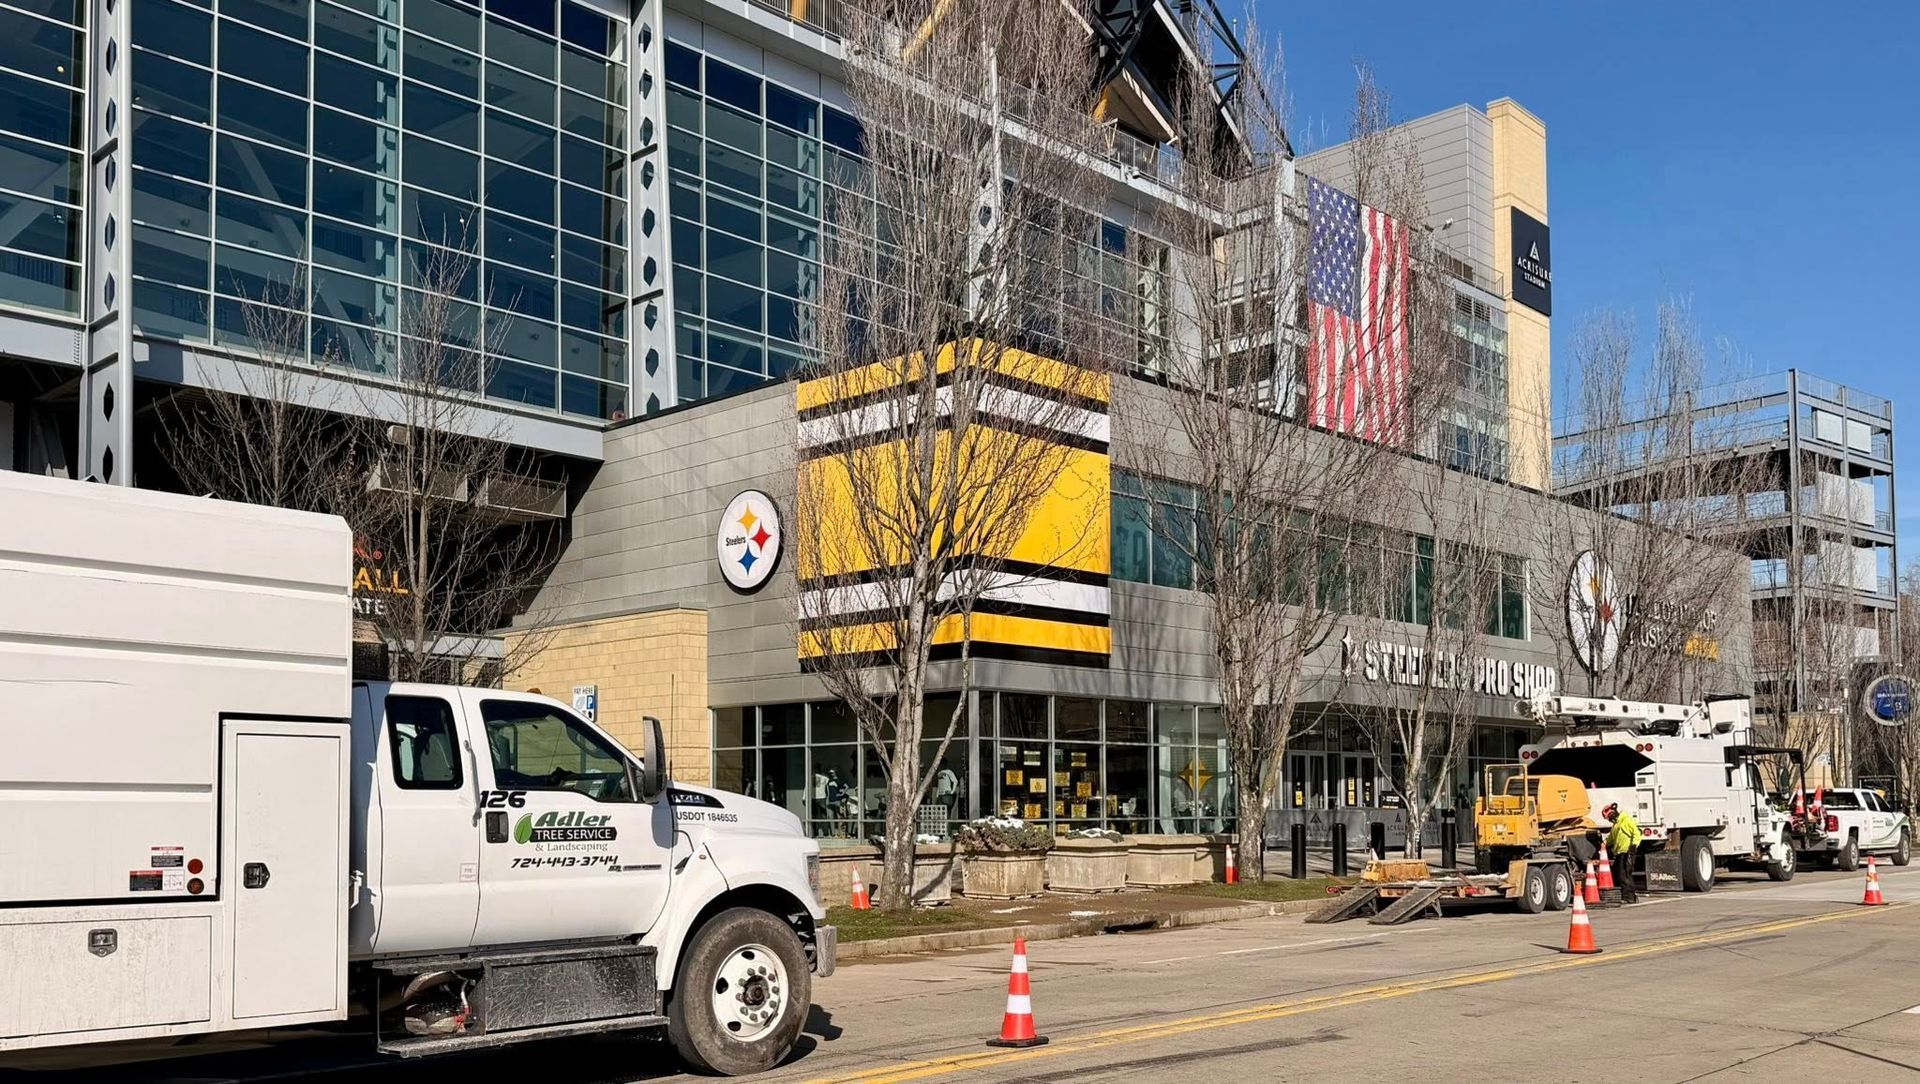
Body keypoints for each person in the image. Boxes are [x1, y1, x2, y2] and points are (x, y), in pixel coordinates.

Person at [1603, 802, 1642, 903]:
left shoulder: (1626, 820)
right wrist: (1604, 844)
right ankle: (1624, 896)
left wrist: (1632, 849)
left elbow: (1637, 833)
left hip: (1627, 852)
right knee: (1618, 874)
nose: (1610, 819)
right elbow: (1611, 838)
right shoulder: (1616, 825)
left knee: (1624, 875)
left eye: (1610, 816)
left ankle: (1629, 897)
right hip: (1619, 853)